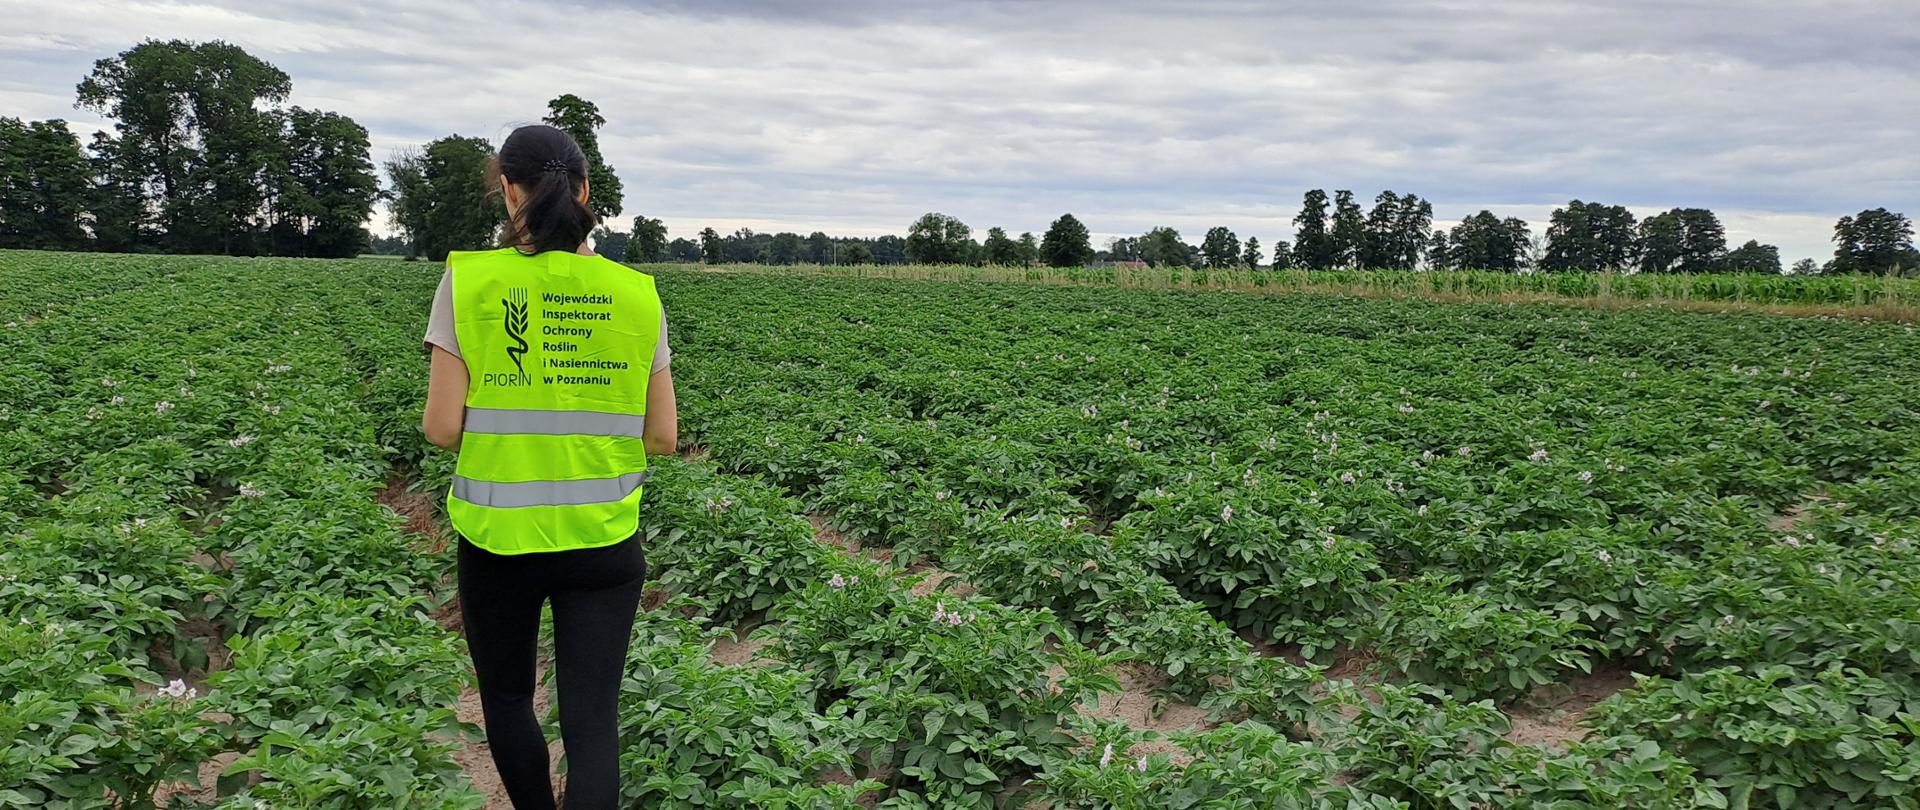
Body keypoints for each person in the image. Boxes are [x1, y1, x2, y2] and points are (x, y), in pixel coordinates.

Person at [420, 123, 676, 809]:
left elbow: (442, 427)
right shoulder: (636, 292)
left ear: (508, 192)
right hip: (602, 539)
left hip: (499, 540)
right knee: (592, 724)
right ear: (586, 192)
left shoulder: (470, 280)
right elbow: (663, 436)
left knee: (507, 702)